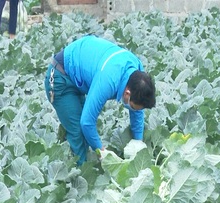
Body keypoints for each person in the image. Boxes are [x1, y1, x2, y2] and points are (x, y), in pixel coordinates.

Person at [44, 36, 156, 166]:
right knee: (78, 133)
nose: (134, 110)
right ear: (127, 93)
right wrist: (102, 153)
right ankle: (80, 173)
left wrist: (138, 143)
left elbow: (137, 112)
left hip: (77, 74)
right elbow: (86, 122)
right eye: (133, 106)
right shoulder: (108, 80)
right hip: (59, 77)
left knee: (81, 127)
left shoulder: (137, 73)